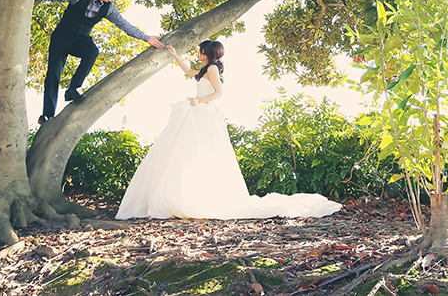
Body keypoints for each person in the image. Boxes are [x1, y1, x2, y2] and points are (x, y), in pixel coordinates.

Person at [115, 40, 342, 220]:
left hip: (204, 113)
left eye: (200, 50)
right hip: (197, 112)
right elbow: (188, 72)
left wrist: (199, 100)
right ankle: (182, 196)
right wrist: (174, 55)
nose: (198, 52)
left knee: (198, 153)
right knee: (183, 153)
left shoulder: (212, 68)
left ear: (207, 52)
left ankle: (195, 198)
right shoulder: (205, 68)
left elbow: (218, 93)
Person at [34, 0, 164, 125]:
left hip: (80, 41)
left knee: (92, 51)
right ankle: (47, 116)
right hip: (61, 39)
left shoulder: (109, 9)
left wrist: (147, 38)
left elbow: (124, 25)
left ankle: (73, 89)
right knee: (53, 74)